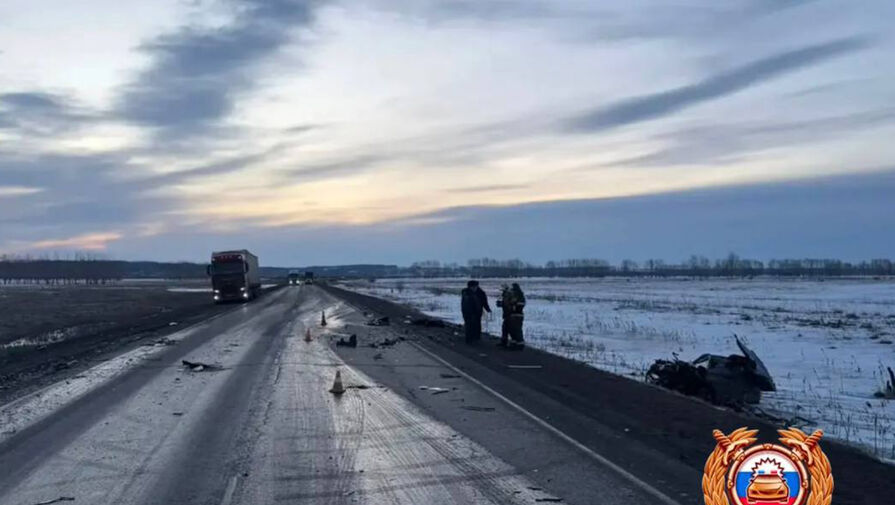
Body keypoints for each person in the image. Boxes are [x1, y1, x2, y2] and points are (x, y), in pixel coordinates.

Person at [498, 283, 526, 349]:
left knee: (516, 330)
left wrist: (513, 306)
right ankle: (513, 343)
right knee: (511, 329)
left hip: (516, 315)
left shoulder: (518, 295)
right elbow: (508, 304)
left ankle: (519, 344)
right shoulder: (512, 295)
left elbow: (517, 305)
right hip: (511, 315)